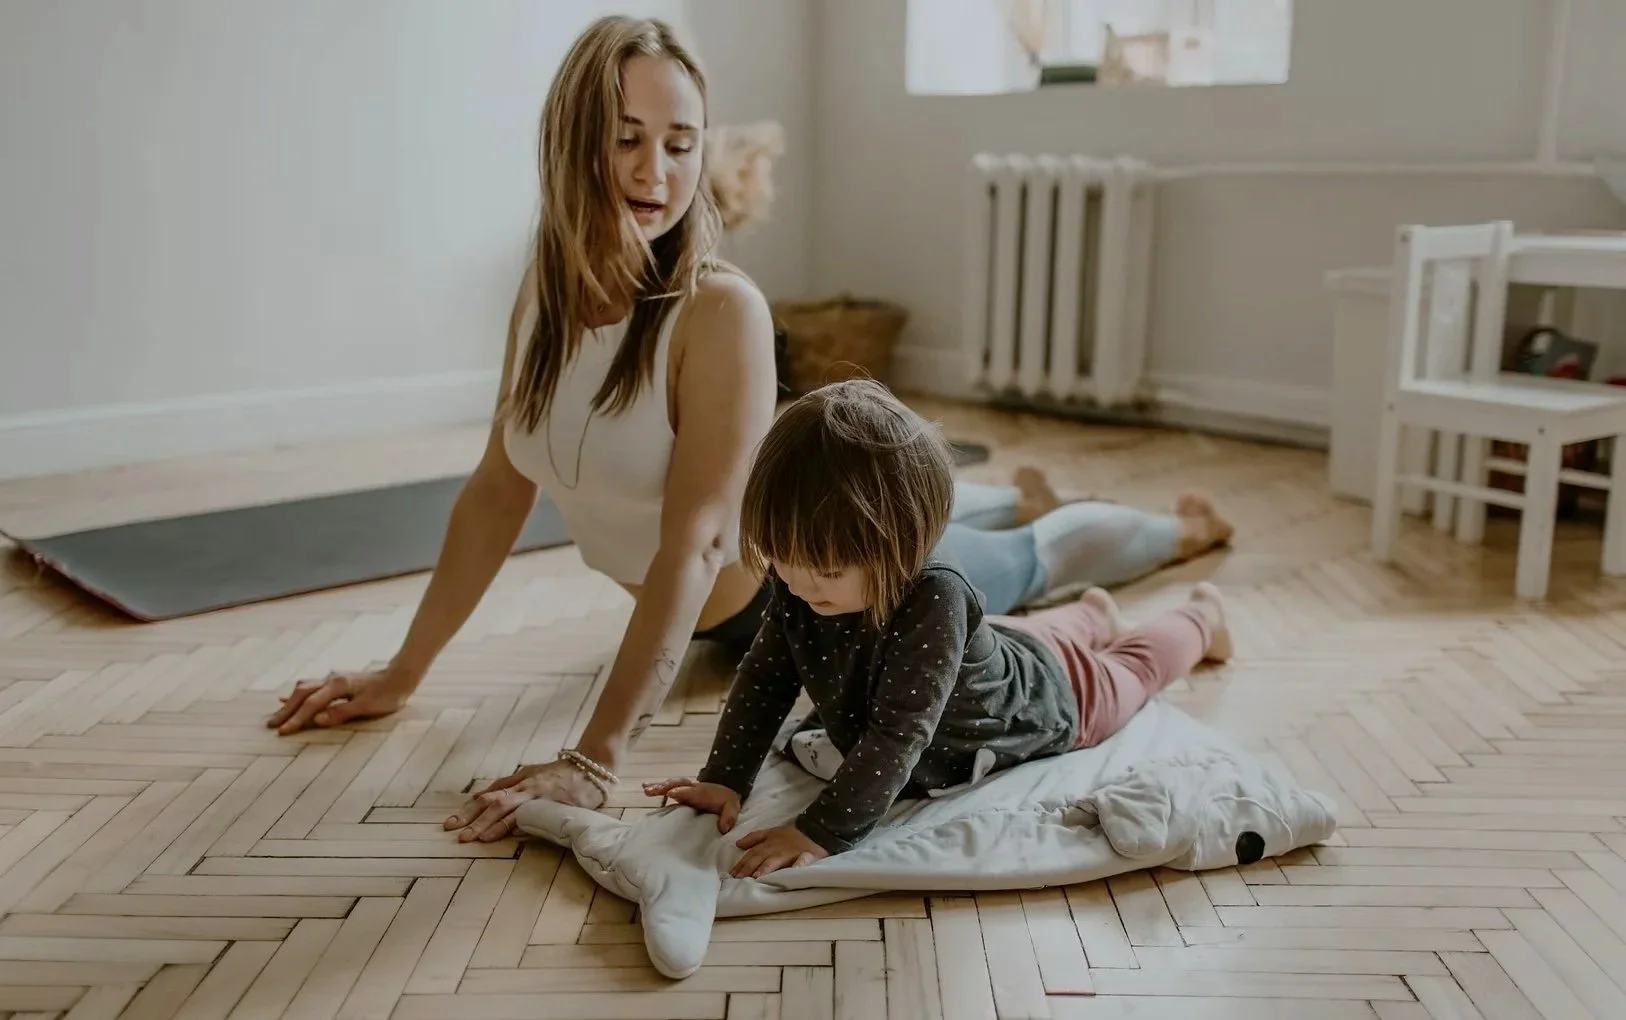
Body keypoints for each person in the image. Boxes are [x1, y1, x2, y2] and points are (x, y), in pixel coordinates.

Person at [265, 15, 1233, 843]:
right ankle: (1007, 513)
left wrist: (594, 759)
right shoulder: (545, 294)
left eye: (681, 142)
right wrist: (403, 671)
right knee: (986, 536)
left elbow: (692, 547)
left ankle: (1179, 536)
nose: (657, 170)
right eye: (627, 137)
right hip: (790, 571)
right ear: (570, 141)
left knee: (1030, 558)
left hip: (833, 590)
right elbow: (493, 493)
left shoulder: (716, 310)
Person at [644, 380, 1232, 877]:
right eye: (782, 561)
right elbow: (766, 677)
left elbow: (899, 735)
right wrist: (725, 777)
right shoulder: (803, 583)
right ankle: (1094, 612)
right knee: (1033, 634)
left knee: (1132, 667)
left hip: (1050, 696)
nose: (798, 585)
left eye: (824, 570)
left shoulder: (936, 597)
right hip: (1000, 645)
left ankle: (1202, 616)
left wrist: (820, 830)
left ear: (903, 545)